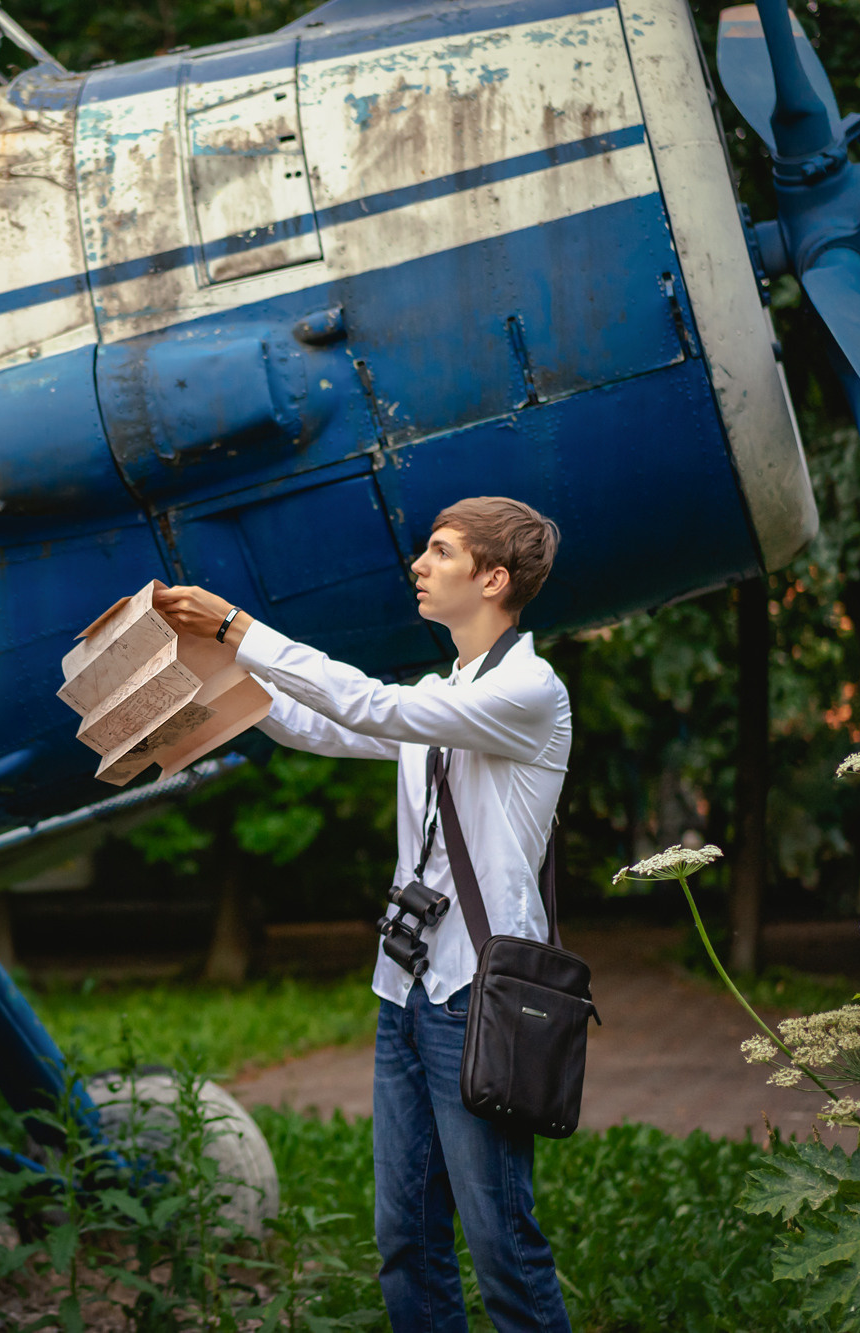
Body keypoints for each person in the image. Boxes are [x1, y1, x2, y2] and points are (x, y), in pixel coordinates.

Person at [155, 497, 572, 1333]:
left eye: (440, 550)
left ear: (493, 578)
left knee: (502, 1243)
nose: (418, 563)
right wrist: (216, 666)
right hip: (407, 987)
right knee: (404, 1238)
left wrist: (237, 625)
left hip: (479, 997)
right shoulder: (444, 689)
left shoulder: (529, 689)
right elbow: (324, 723)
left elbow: (372, 706)